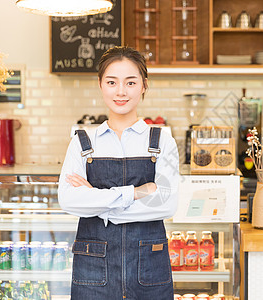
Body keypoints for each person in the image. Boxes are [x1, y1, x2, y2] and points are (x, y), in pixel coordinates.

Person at [58, 46, 179, 299]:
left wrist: (98, 201)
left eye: (131, 82)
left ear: (144, 86)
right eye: (112, 82)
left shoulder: (161, 141)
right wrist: (136, 193)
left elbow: (166, 205)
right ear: (100, 84)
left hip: (149, 266)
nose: (121, 91)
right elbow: (69, 200)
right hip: (93, 267)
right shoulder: (82, 142)